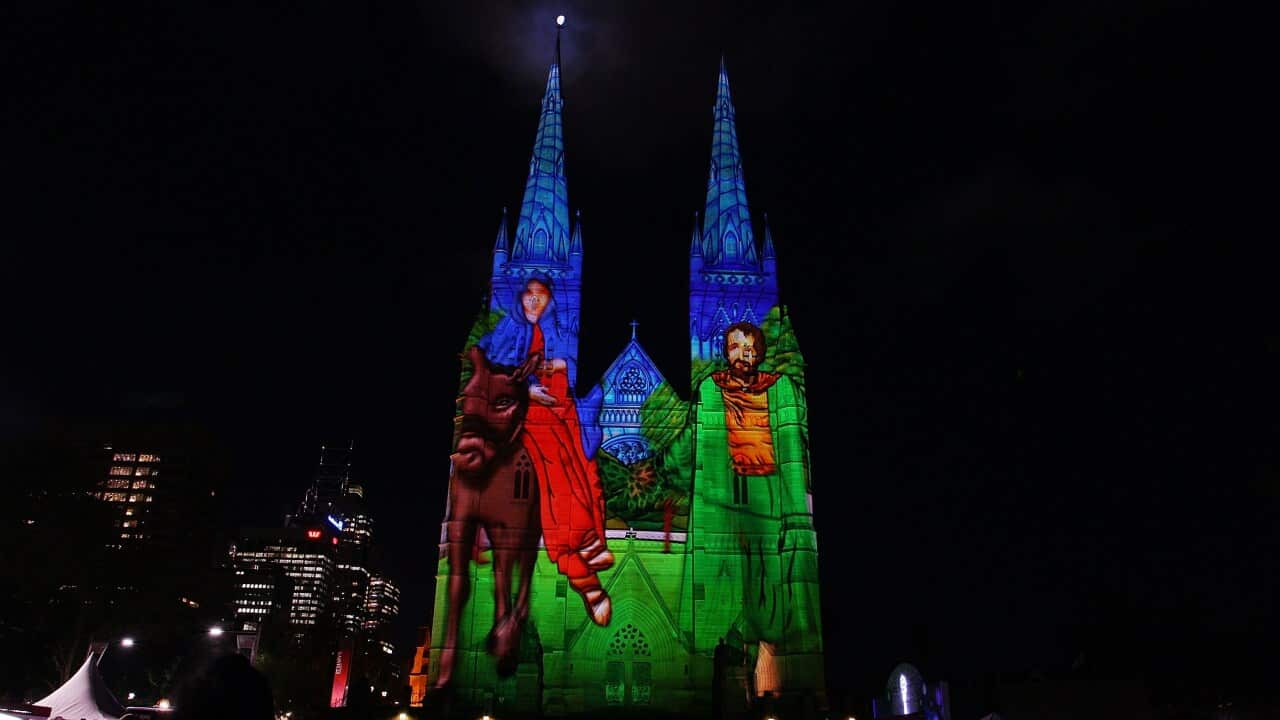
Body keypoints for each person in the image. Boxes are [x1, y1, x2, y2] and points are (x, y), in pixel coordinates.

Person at [478, 275, 614, 625]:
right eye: (530, 295)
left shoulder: (548, 332)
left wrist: (555, 369)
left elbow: (559, 368)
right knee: (556, 463)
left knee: (582, 463)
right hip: (523, 412)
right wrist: (527, 391)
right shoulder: (508, 330)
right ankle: (585, 574)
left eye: (543, 296)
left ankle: (587, 540)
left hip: (552, 407)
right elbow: (492, 370)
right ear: (519, 297)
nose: (535, 302)